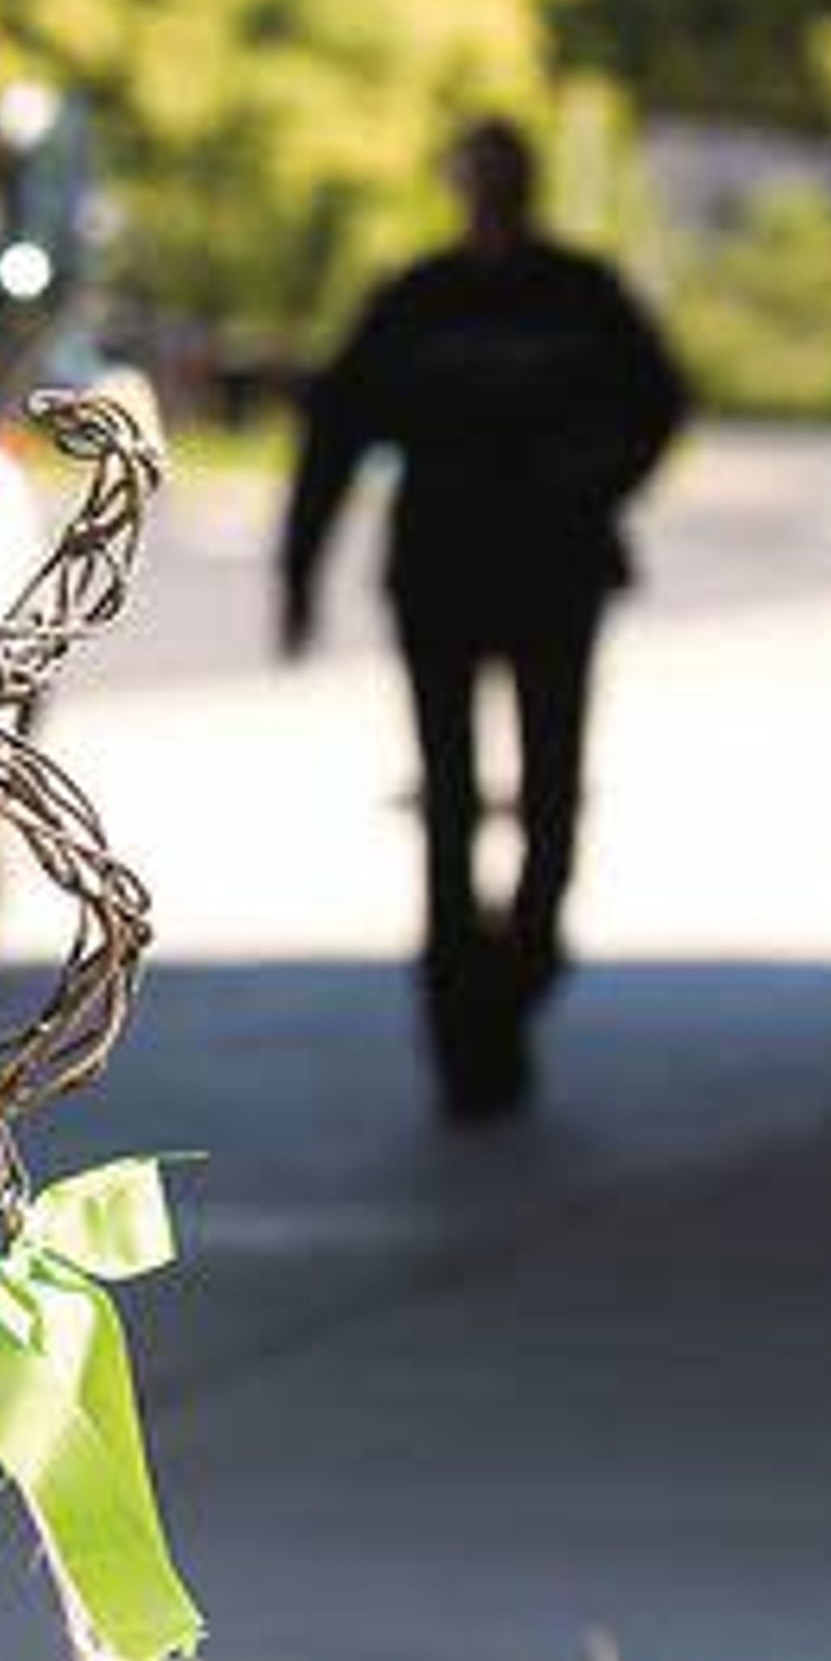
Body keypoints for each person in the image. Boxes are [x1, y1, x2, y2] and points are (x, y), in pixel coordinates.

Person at [281, 118, 687, 1120]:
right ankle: (463, 1020)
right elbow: (336, 433)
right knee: (451, 803)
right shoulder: (417, 301)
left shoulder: (579, 294)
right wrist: (298, 570)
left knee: (550, 787)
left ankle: (525, 959)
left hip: (554, 571)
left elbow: (660, 402)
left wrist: (596, 482)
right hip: (442, 576)